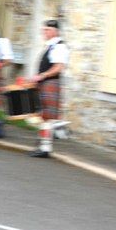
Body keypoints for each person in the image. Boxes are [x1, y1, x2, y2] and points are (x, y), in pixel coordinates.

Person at [23, 20, 69, 158]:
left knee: (47, 118)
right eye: (44, 30)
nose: (45, 32)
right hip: (45, 84)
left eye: (47, 30)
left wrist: (42, 75)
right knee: (43, 117)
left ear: (56, 31)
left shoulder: (59, 47)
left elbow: (59, 67)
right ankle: (44, 146)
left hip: (50, 84)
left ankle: (45, 148)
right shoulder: (51, 46)